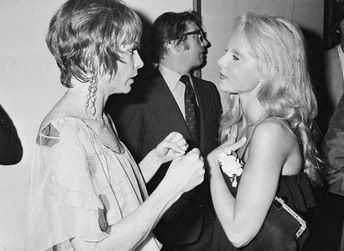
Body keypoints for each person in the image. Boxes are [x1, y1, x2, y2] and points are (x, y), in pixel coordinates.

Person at [27, 1, 205, 250]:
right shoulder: (66, 134)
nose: (140, 62)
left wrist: (155, 159)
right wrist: (171, 188)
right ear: (95, 56)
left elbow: (111, 197)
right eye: (131, 51)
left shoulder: (100, 118)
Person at [107, 10, 222, 251]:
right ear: (172, 43)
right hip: (162, 231)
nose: (206, 43)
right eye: (198, 36)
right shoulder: (135, 94)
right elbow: (128, 168)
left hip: (213, 227)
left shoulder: (209, 91)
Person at [207, 12, 321, 250]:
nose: (221, 61)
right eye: (228, 52)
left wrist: (214, 169)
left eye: (236, 57)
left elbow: (239, 233)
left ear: (267, 70)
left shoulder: (271, 132)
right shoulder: (240, 124)